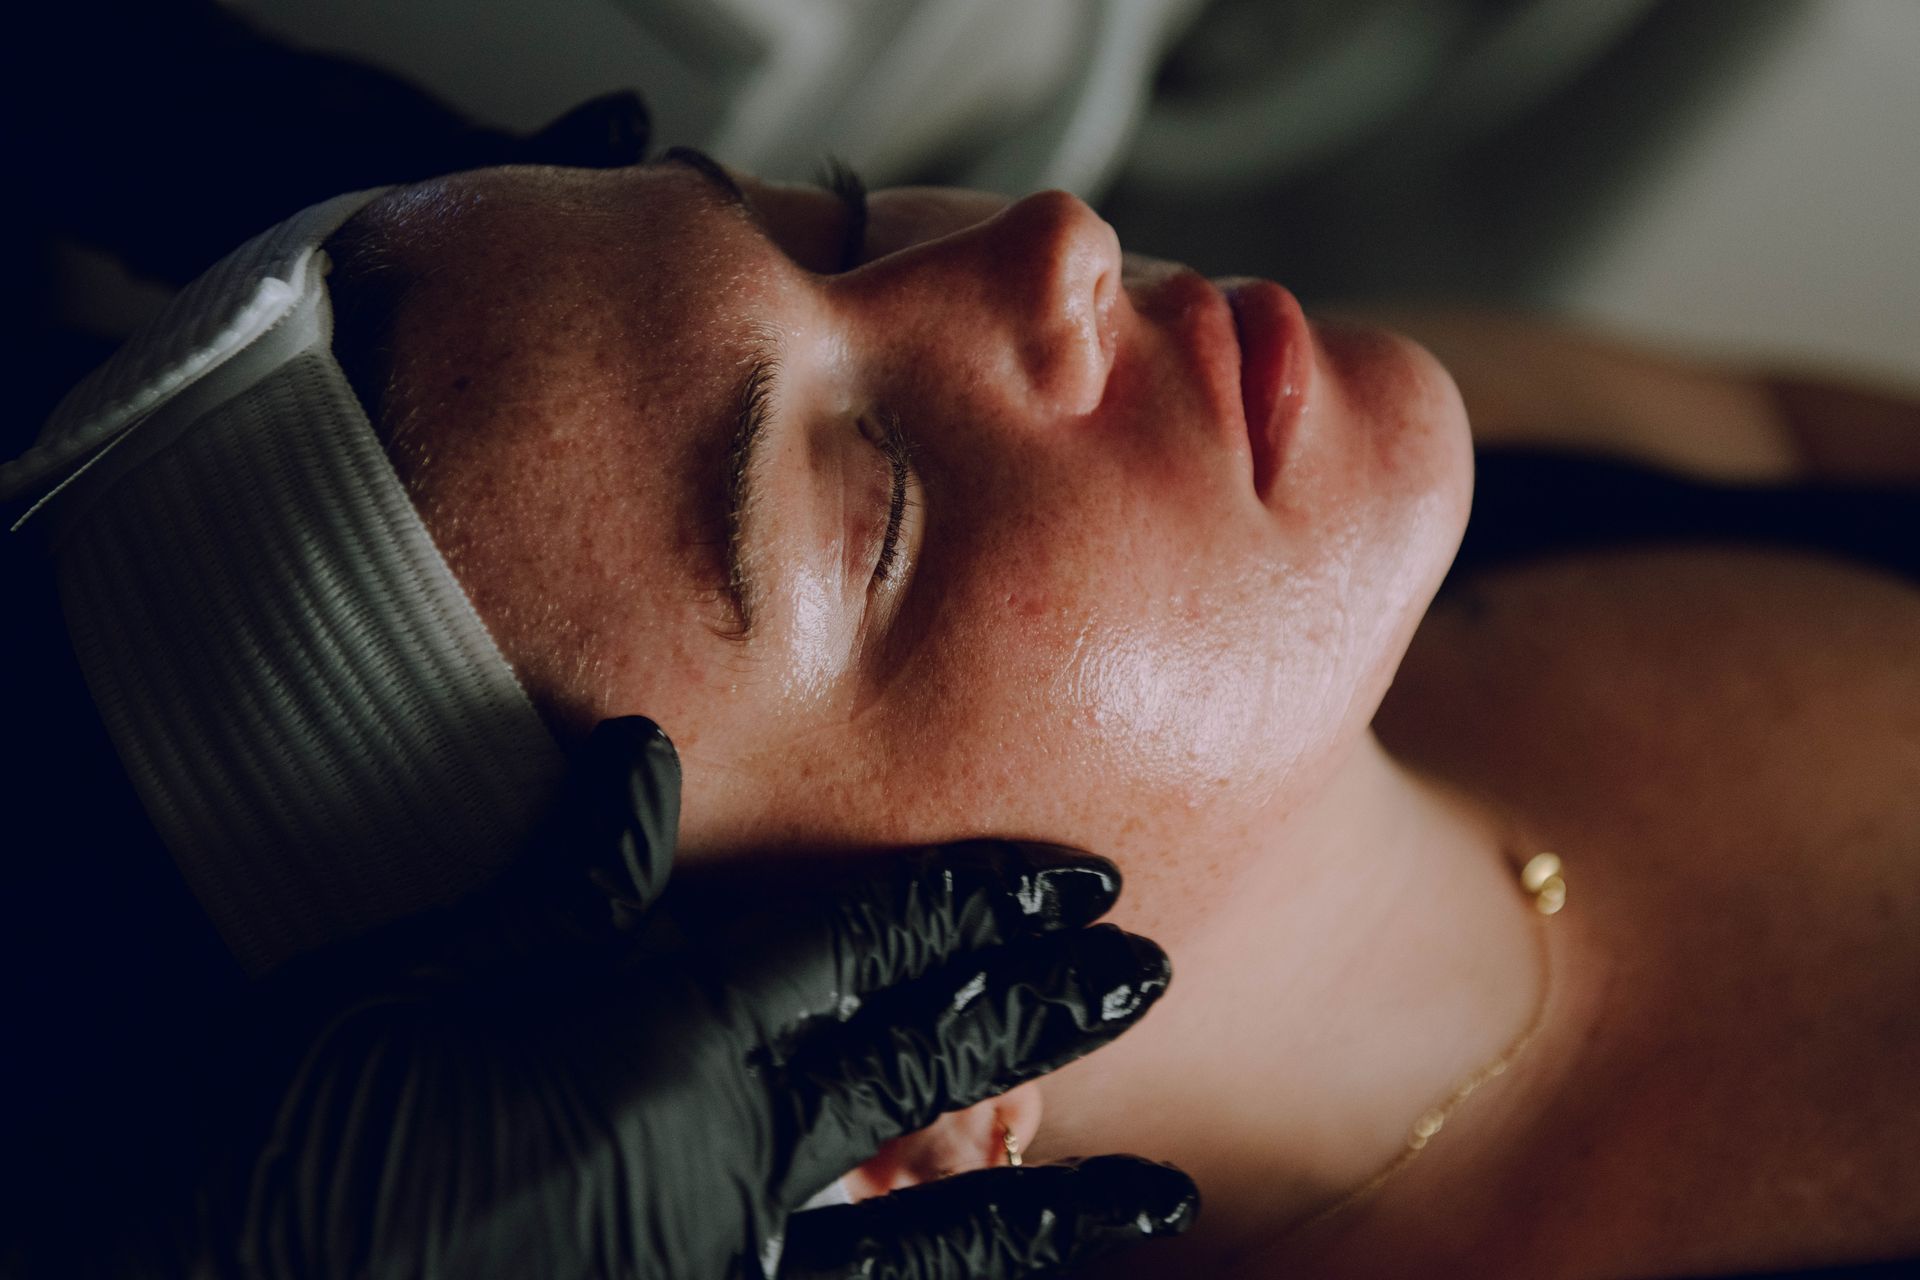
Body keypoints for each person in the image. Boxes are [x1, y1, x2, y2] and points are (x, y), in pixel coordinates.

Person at [10, 150, 1917, 1279]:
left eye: (827, 224)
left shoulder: (1446, 450)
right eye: (882, 508)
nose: (1058, 240)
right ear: (882, 1103)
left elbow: (1791, 420)